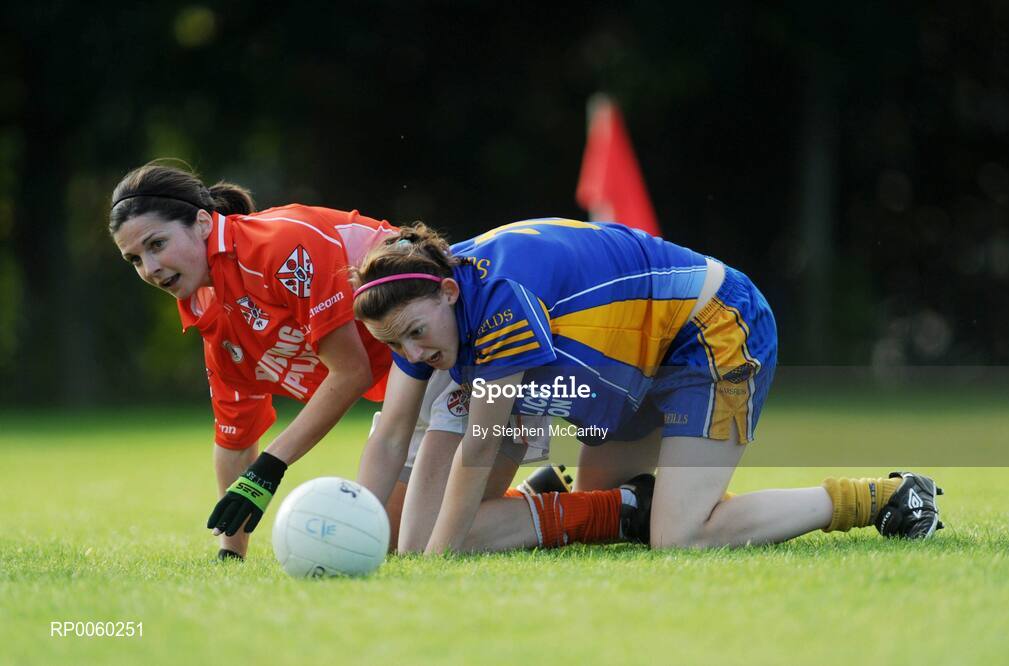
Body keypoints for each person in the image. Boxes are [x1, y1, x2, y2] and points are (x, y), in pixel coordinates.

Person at [352, 218, 944, 554]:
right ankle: (582, 498)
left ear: (449, 293)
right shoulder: (420, 307)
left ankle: (882, 496)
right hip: (627, 366)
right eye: (394, 345)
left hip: (709, 330)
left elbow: (478, 446)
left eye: (414, 336)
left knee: (680, 537)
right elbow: (391, 438)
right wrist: (361, 524)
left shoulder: (498, 299)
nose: (412, 354)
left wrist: (435, 566)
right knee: (604, 511)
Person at [108, 162, 592, 560]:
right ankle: (536, 498)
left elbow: (351, 370)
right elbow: (235, 435)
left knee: (431, 546)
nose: (150, 268)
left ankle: (614, 510)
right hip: (413, 384)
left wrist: (271, 467)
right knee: (390, 542)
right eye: (134, 259)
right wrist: (229, 553)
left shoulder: (275, 247)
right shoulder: (209, 310)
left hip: (461, 354)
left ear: (201, 221)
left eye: (156, 245)